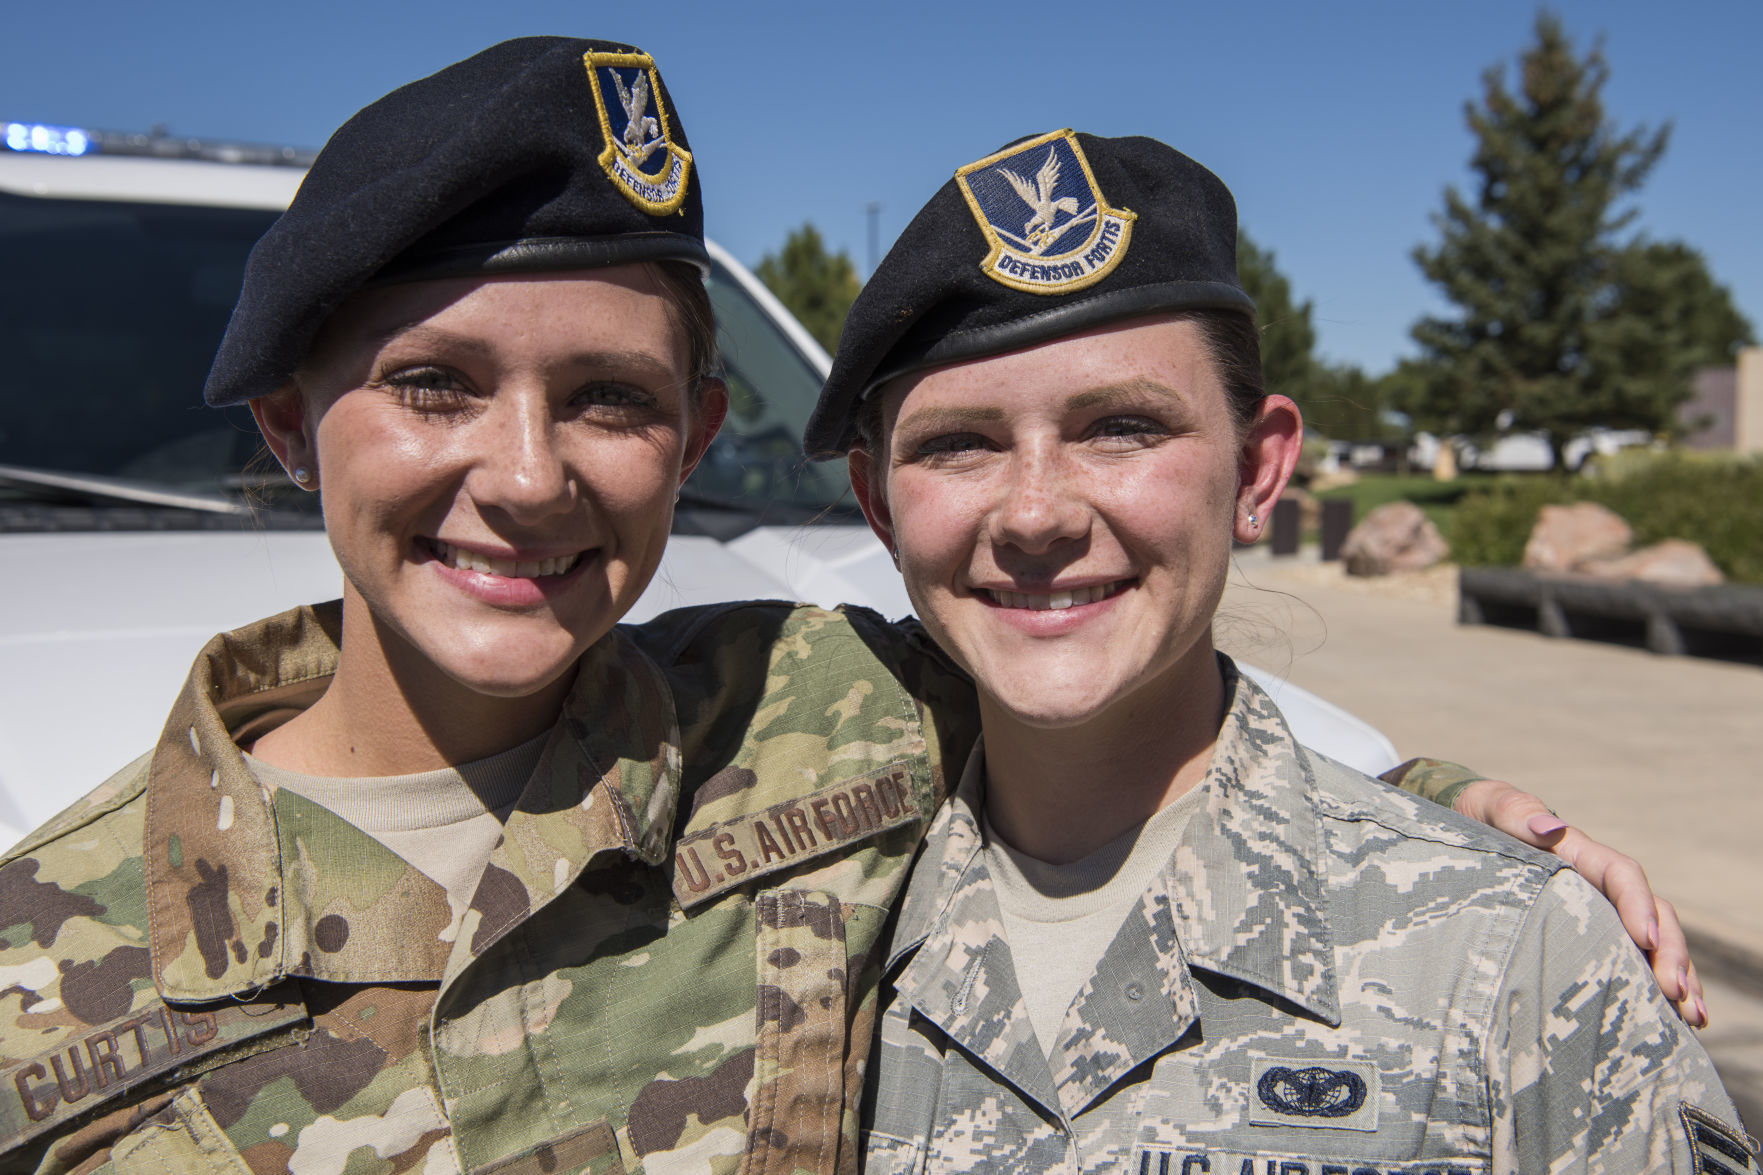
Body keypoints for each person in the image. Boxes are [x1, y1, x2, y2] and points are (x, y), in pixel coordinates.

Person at [0, 42, 1703, 1171]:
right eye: (434, 386)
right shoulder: (34, 955)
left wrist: (1444, 817)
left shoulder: (796, 714)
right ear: (290, 425)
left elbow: (1122, 713)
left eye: (608, 400)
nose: (525, 479)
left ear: (695, 437)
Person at [803, 130, 1753, 1174]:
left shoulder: (1505, 959)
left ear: (1257, 471)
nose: (1034, 513)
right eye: (957, 443)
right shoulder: (777, 931)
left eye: (1120, 425)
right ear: (877, 504)